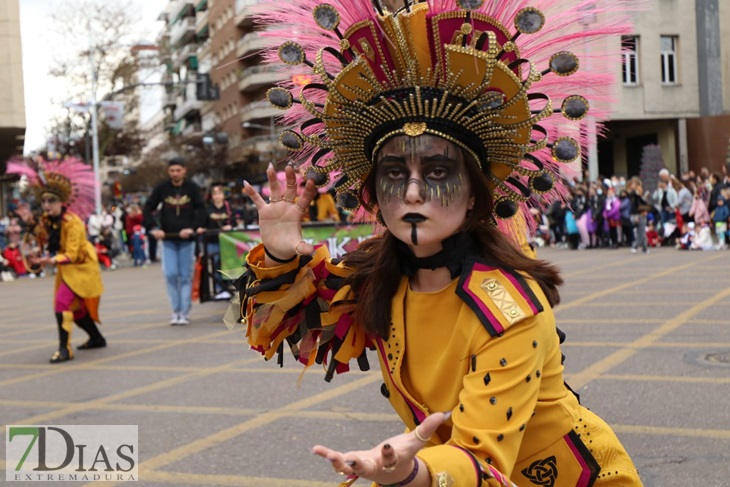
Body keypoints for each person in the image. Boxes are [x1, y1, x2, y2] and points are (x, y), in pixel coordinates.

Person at [231, 1, 642, 486]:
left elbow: (483, 458)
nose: (411, 192)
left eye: (439, 172)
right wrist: (280, 252)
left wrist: (410, 472)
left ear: (474, 197)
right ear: (373, 196)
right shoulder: (376, 276)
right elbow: (296, 330)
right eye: (392, 173)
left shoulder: (509, 308)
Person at [7, 157, 106, 363]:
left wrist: (50, 261)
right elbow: (41, 237)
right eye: (43, 201)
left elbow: (72, 253)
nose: (46, 205)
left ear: (62, 202)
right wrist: (29, 224)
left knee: (62, 303)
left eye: (51, 201)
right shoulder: (47, 220)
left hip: (81, 267)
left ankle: (64, 349)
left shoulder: (73, 223)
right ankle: (97, 338)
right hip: (65, 267)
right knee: (77, 310)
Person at [143, 156, 205, 325]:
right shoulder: (161, 188)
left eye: (178, 170)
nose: (175, 174)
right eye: (172, 171)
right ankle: (175, 310)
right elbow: (148, 207)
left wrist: (192, 228)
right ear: (168, 172)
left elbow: (201, 209)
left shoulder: (192, 188)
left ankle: (184, 312)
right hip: (168, 240)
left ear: (184, 171)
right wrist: (154, 229)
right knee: (170, 274)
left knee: (185, 276)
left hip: (186, 240)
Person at [200, 183, 233, 300]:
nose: (217, 196)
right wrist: (201, 228)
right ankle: (220, 289)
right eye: (215, 194)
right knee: (215, 265)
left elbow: (234, 221)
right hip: (212, 240)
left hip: (227, 241)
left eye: (219, 194)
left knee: (227, 264)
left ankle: (229, 287)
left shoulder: (228, 207)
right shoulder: (207, 209)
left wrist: (230, 226)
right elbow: (202, 223)